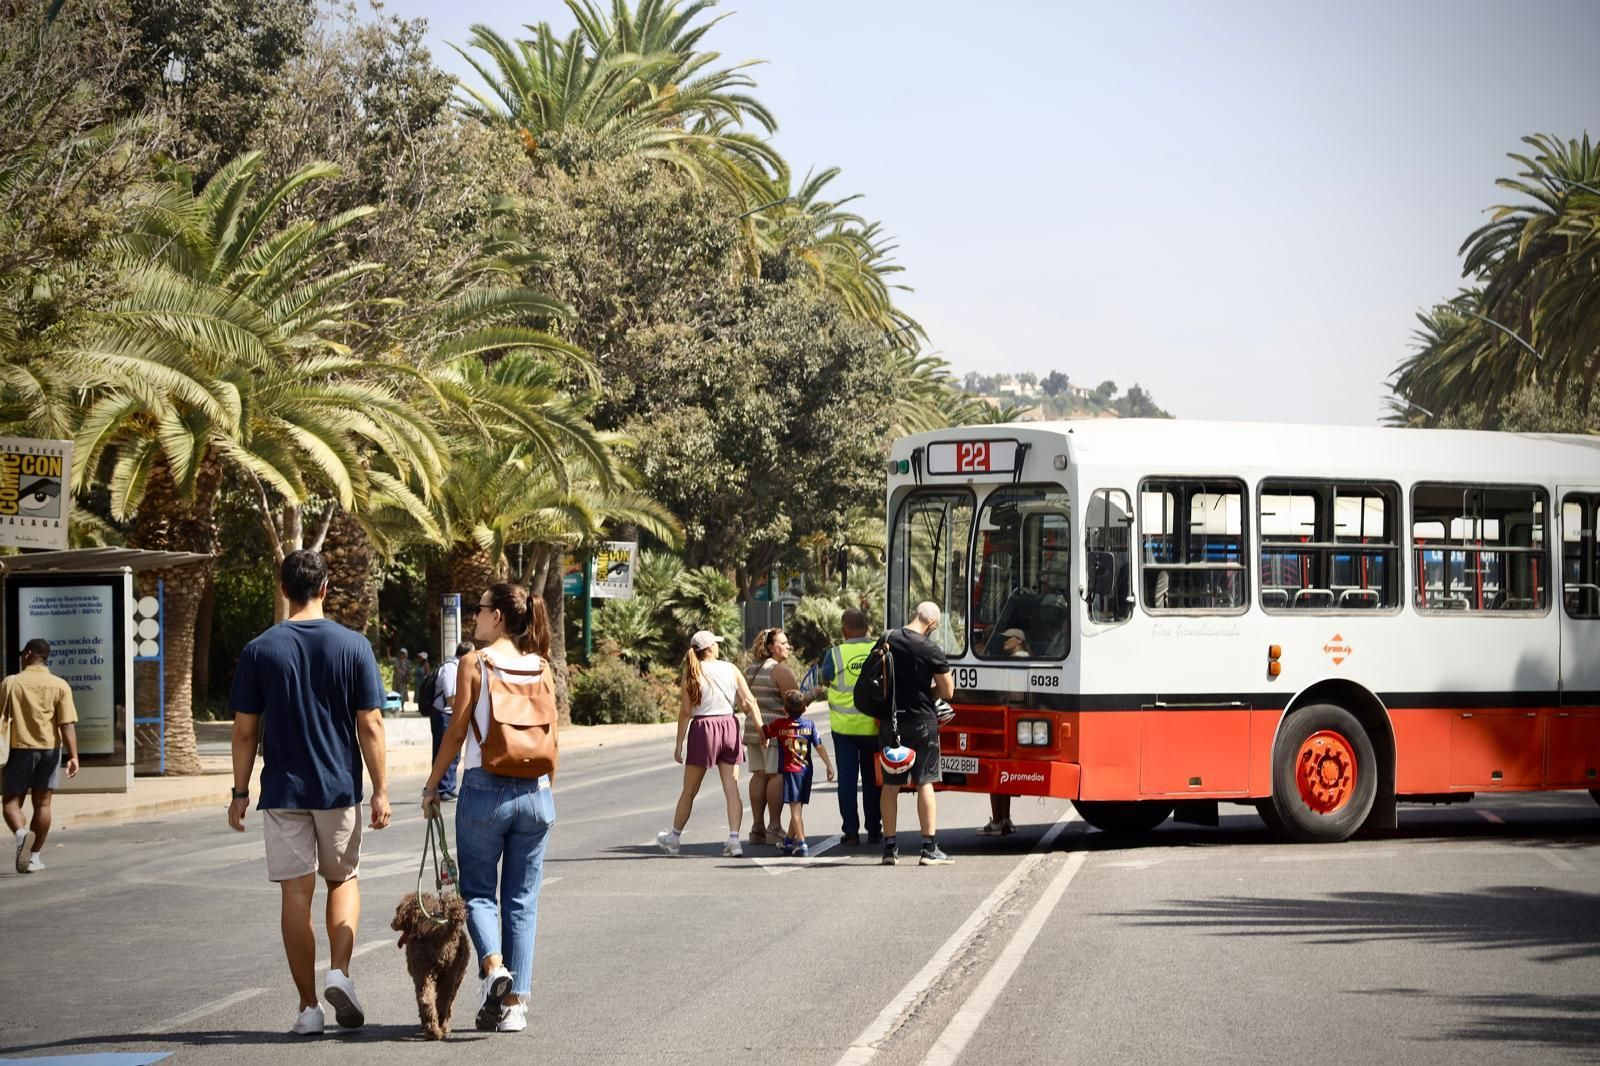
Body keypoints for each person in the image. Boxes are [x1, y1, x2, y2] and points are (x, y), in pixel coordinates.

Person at [228, 550, 391, 1036]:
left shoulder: (259, 650)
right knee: (341, 881)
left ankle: (307, 1008)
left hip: (281, 790)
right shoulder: (354, 645)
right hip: (338, 787)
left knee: (295, 894)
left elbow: (243, 732)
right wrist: (380, 789)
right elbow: (371, 724)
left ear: (283, 589)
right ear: (325, 588)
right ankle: (340, 972)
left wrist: (239, 791)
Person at [423, 582, 556, 1036]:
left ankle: (495, 968)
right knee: (522, 901)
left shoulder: (474, 663)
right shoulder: (541, 666)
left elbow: (456, 733)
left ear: (497, 616)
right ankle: (516, 1006)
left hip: (484, 789)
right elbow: (552, 737)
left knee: (478, 892)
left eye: (479, 609)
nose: (474, 618)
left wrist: (431, 787)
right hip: (536, 793)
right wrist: (544, 791)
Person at [656, 631, 763, 858]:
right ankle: (734, 841)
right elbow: (749, 701)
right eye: (715, 643)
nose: (718, 646)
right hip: (728, 726)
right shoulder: (731, 669)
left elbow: (686, 712)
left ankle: (674, 838)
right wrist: (762, 729)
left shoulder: (692, 673)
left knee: (690, 790)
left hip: (703, 728)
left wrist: (679, 743)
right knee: (731, 788)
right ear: (711, 648)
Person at [879, 601, 956, 867]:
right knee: (924, 782)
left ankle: (889, 848)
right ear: (932, 624)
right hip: (922, 722)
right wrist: (926, 691)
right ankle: (929, 848)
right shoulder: (930, 648)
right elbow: (948, 692)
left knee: (890, 784)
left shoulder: (888, 637)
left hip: (891, 721)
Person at [1, 639, 79, 874]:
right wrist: (73, 756)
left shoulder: (11, 683)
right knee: (43, 803)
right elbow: (66, 724)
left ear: (28, 654)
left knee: (10, 802)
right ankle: (34, 857)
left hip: (20, 748)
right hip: (50, 750)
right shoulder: (60, 685)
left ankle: (22, 834)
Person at [819, 609, 881, 844]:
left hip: (843, 729)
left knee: (846, 779)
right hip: (872, 727)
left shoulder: (834, 655)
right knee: (872, 779)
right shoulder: (878, 650)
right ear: (867, 628)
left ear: (844, 630)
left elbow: (825, 679)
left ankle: (852, 832)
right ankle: (874, 829)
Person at [744, 628, 800, 845]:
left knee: (759, 775)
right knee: (775, 776)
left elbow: (744, 702)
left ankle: (757, 827)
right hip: (775, 732)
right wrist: (812, 695)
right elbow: (797, 704)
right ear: (770, 647)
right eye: (783, 643)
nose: (788, 646)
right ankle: (774, 827)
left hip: (752, 729)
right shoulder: (780, 671)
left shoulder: (751, 670)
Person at [765, 689, 835, 857]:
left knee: (795, 811)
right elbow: (819, 746)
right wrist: (829, 765)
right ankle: (789, 842)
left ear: (784, 710)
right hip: (806, 772)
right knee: (798, 808)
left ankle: (802, 844)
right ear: (804, 709)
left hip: (791, 772)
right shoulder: (809, 726)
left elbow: (765, 731)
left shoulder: (780, 725)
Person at [979, 629, 1028, 837]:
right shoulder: (1026, 658)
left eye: (1007, 639)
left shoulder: (1015, 661)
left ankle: (997, 821)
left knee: (995, 776)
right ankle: (1005, 818)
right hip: (1016, 719)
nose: (1004, 643)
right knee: (1004, 777)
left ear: (1018, 641)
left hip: (1004, 719)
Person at [430, 642, 474, 800]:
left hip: (450, 714)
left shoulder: (459, 667)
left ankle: (447, 787)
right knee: (445, 750)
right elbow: (450, 696)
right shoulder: (450, 668)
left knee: (454, 753)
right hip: (444, 715)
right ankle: (442, 789)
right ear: (466, 654)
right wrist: (460, 717)